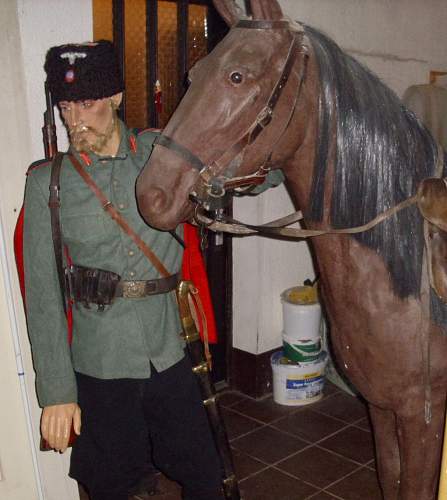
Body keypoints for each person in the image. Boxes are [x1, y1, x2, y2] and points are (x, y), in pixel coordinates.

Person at [23, 40, 223, 500]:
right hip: (100, 361)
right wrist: (56, 390)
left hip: (170, 348)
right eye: (66, 106)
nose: (74, 120)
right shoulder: (46, 184)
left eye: (87, 104)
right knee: (113, 485)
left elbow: (236, 171)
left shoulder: (160, 154)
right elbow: (44, 296)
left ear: (115, 97)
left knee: (205, 475)